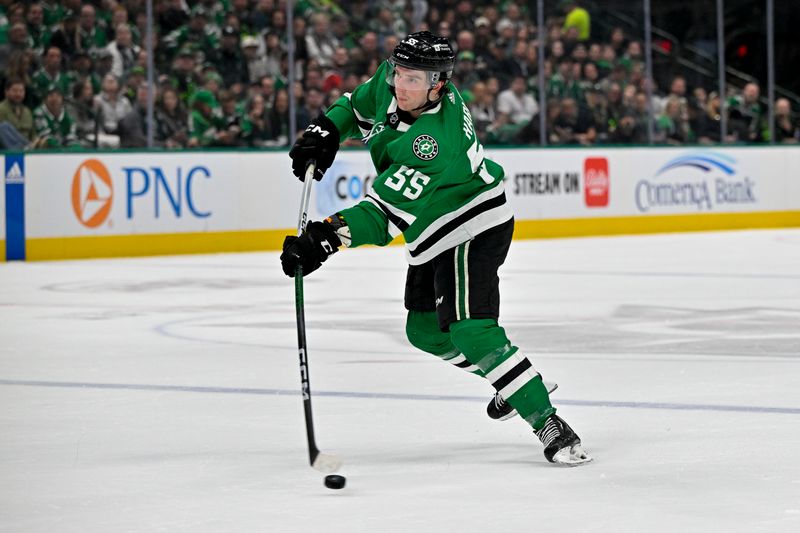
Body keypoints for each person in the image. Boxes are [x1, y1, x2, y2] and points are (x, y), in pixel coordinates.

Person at [280, 31, 592, 466]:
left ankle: (550, 423)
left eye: (414, 78)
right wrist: (327, 128)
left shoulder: (431, 143)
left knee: (470, 330)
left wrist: (325, 237)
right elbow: (356, 106)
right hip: (430, 228)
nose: (401, 85)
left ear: (439, 84)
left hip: (472, 224)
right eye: (399, 73)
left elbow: (382, 217)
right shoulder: (395, 83)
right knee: (425, 331)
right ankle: (514, 380)